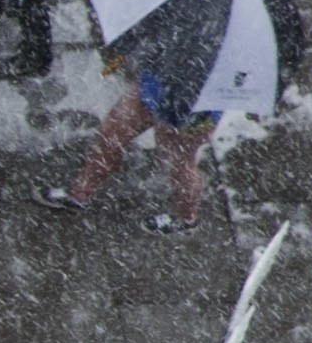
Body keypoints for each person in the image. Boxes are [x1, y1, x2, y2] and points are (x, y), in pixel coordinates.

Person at [38, 51, 218, 231]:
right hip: (154, 82)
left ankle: (185, 219)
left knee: (179, 162)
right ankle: (78, 194)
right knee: (110, 136)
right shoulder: (183, 27)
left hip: (191, 104)